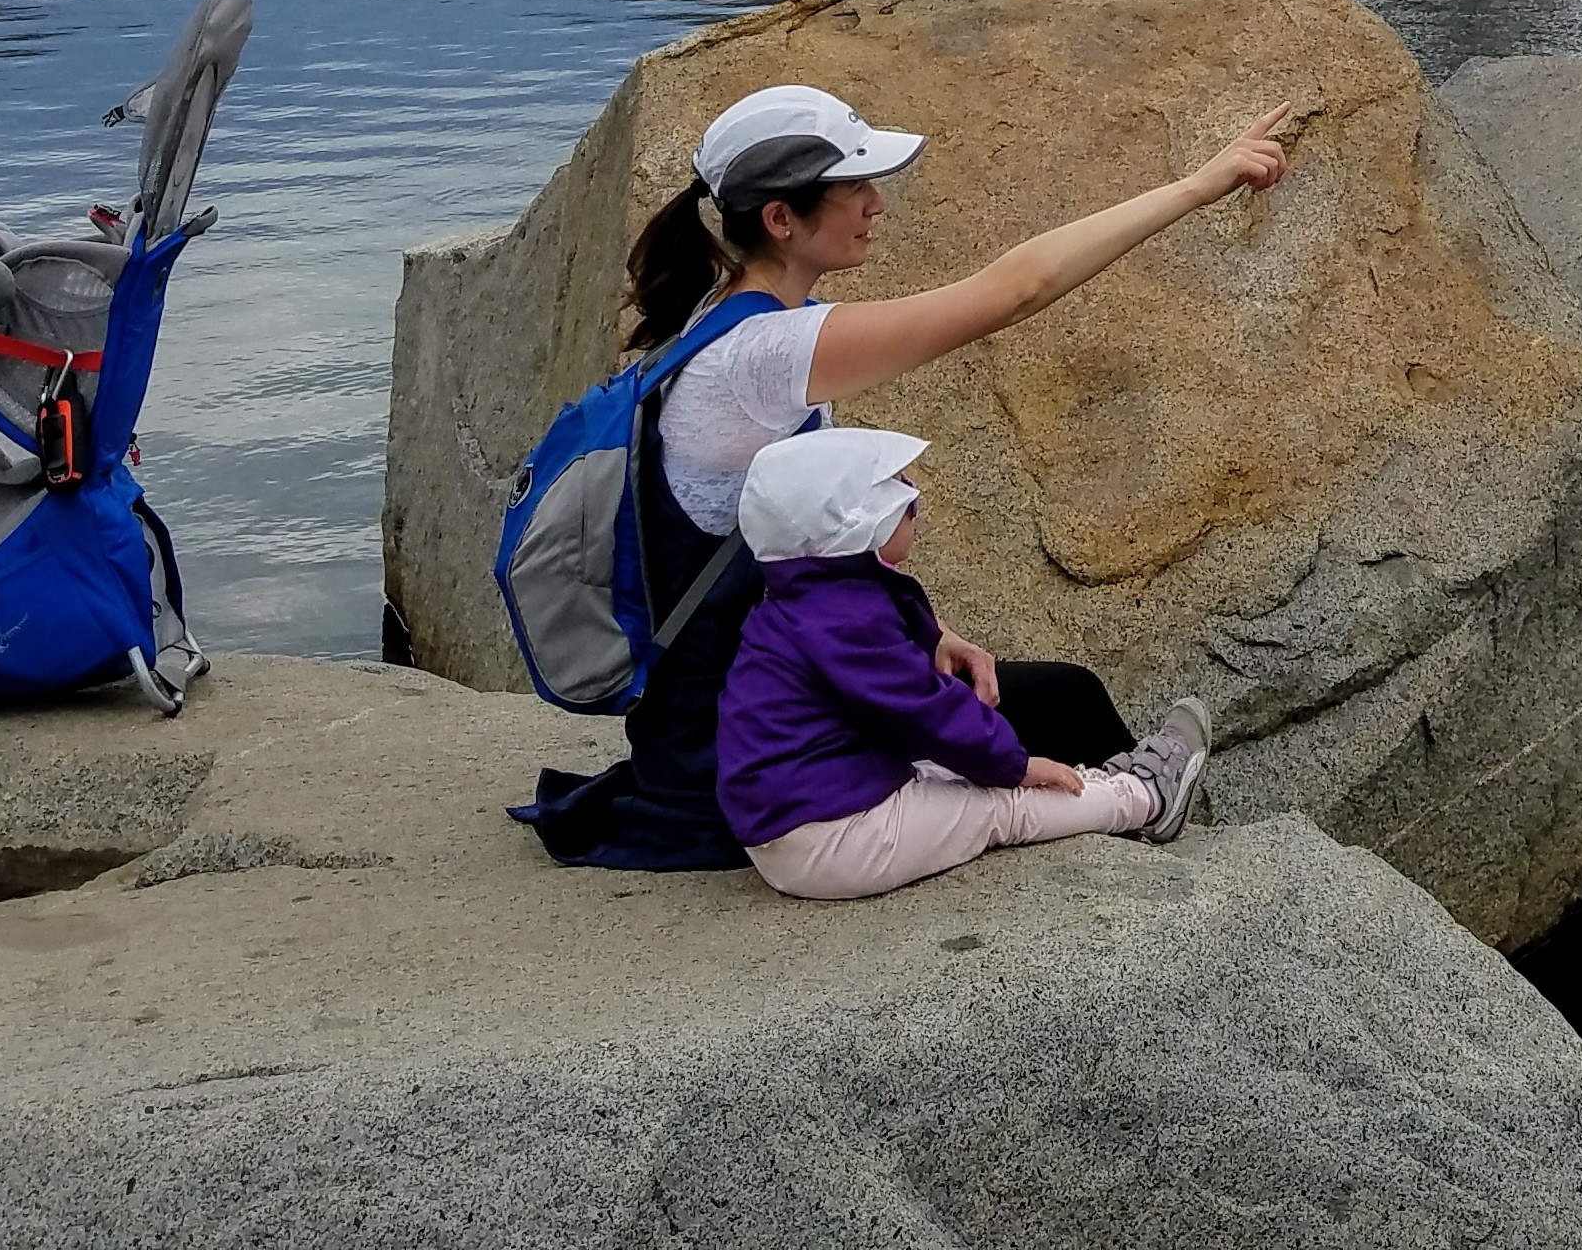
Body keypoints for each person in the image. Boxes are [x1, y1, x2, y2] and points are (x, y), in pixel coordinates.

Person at [514, 76, 1293, 870]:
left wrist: (930, 635)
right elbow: (1015, 291)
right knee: (1064, 705)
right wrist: (1198, 186)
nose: (876, 203)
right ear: (782, 220)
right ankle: (1164, 865)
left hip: (740, 713)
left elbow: (794, 553)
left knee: (1052, 699)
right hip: (758, 752)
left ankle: (1149, 846)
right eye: (854, 186)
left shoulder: (720, 319)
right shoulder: (763, 354)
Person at [717, 427, 1208, 900]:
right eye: (900, 498)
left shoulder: (803, 598)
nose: (913, 501)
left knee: (950, 775)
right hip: (834, 839)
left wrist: (936, 641)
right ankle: (1145, 799)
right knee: (999, 804)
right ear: (854, 528)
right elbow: (924, 708)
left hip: (797, 825)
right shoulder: (843, 615)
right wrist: (1016, 766)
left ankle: (1101, 785)